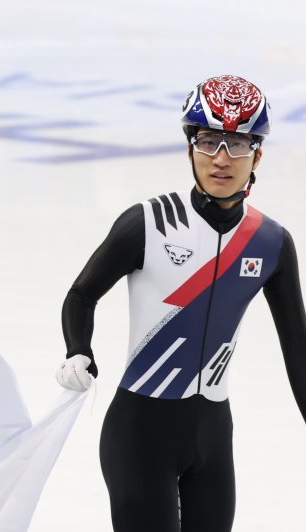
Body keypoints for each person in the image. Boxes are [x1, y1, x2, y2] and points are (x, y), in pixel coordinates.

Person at [56, 74, 306, 532]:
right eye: (208, 141)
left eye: (237, 144)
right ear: (190, 148)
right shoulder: (148, 223)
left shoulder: (271, 243)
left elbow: (300, 351)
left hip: (214, 437)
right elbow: (81, 295)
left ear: (258, 155)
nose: (221, 159)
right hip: (140, 434)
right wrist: (79, 349)